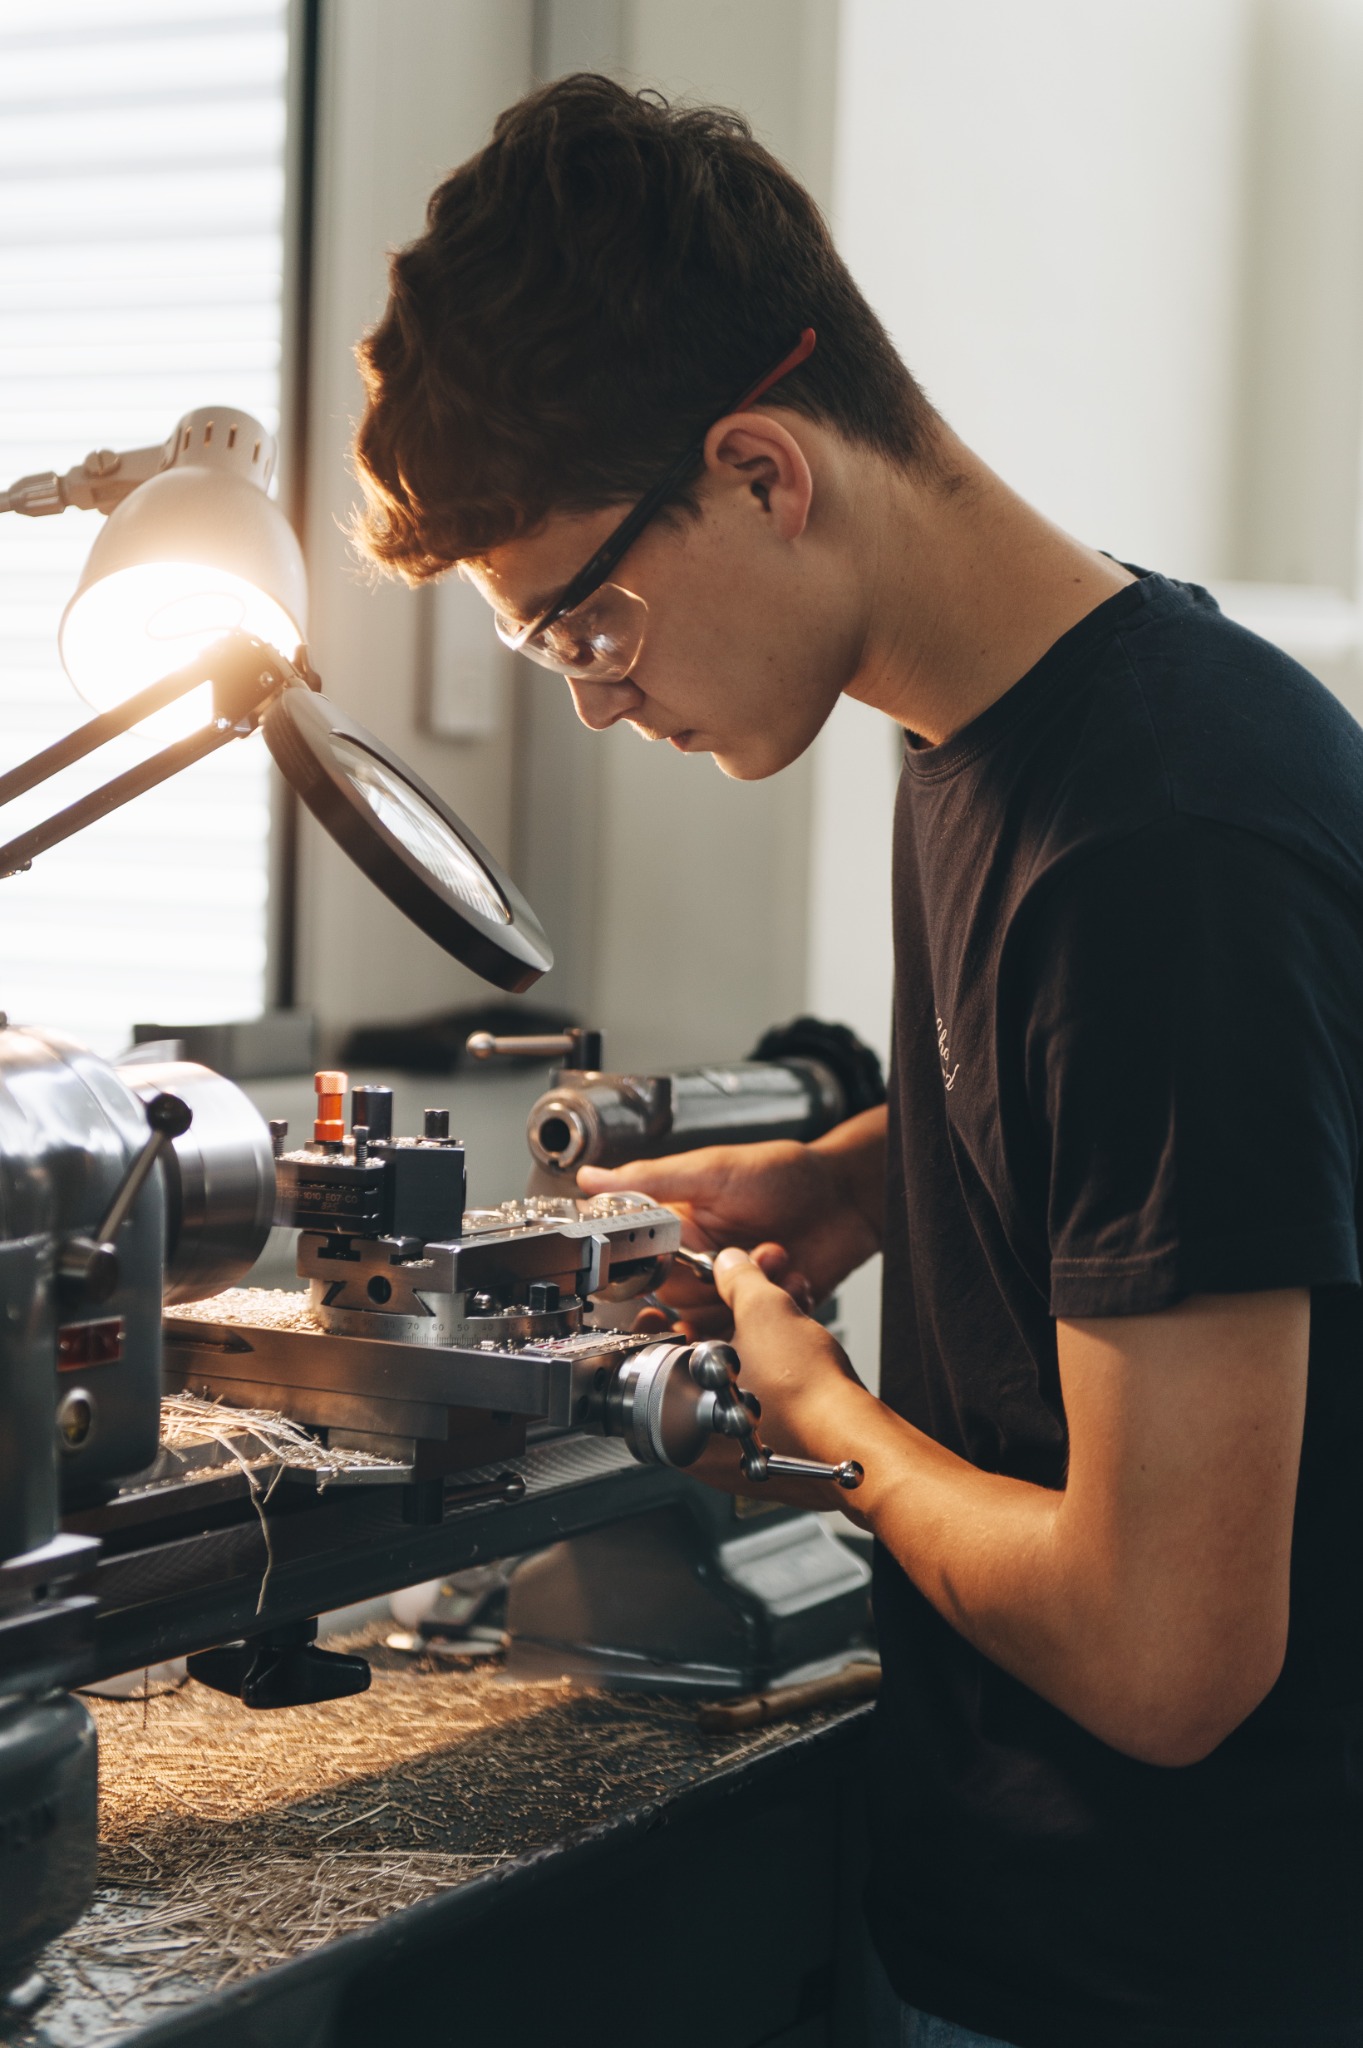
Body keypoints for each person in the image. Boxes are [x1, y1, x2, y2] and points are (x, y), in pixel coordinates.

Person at [351, 74, 1363, 2048]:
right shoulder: (1010, 733)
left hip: (1176, 1983)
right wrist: (860, 1173)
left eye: (586, 620)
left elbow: (1172, 1654)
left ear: (758, 470)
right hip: (1021, 1924)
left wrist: (822, 1420)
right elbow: (1181, 1138)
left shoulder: (1162, 850)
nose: (599, 691)